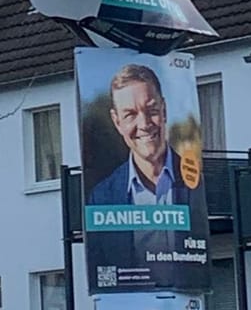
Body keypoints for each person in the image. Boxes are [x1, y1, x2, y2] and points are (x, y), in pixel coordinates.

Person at [84, 63, 199, 283]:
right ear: (117, 122)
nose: (144, 124)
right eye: (130, 115)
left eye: (152, 110)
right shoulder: (101, 198)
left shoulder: (197, 183)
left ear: (164, 110)